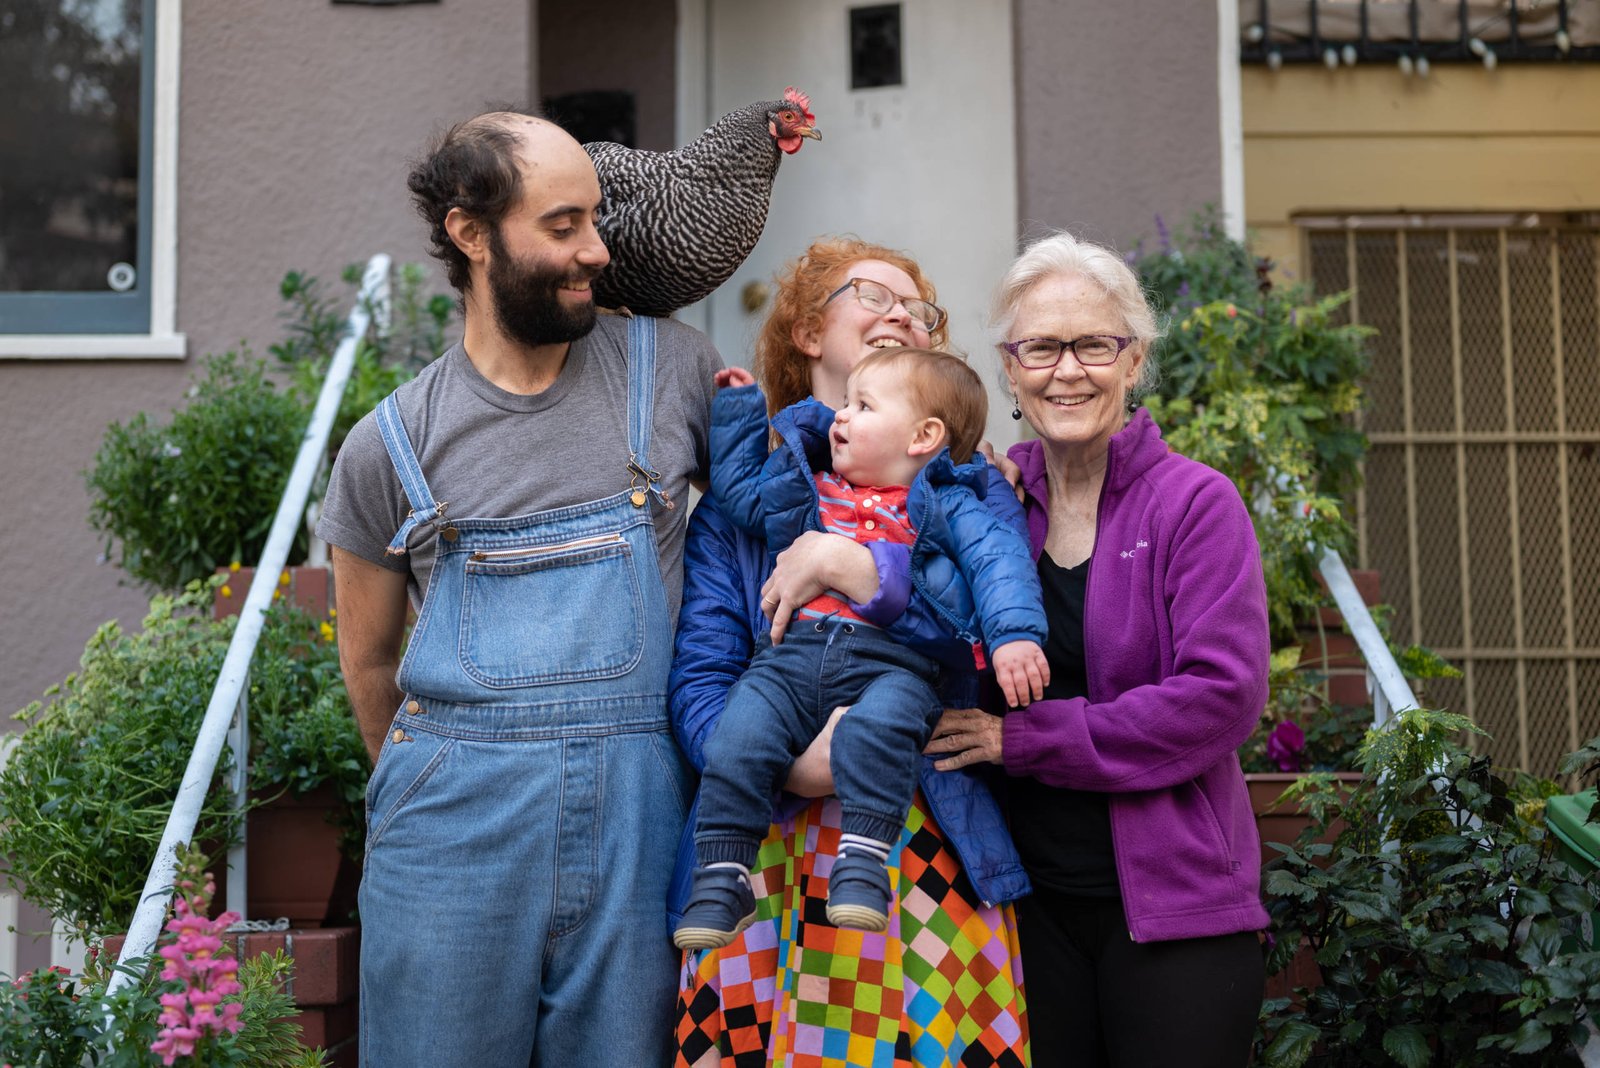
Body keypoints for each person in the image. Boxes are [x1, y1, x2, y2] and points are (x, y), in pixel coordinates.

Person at [314, 111, 721, 1066]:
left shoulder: (676, 373)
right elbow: (367, 660)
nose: (597, 250)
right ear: (470, 234)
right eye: (563, 225)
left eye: (595, 220)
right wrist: (455, 781)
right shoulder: (391, 446)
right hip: (454, 836)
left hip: (641, 822)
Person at [671, 237, 1034, 1068]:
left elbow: (984, 648)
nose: (901, 313)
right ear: (807, 330)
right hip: (762, 847)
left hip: (925, 838)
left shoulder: (969, 488)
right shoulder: (745, 502)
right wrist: (794, 766)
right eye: (874, 295)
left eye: (918, 308)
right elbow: (698, 679)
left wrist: (863, 569)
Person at [926, 231, 1271, 1068]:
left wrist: (1026, 741)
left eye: (1093, 344)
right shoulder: (990, 505)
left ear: (1134, 360)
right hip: (1016, 905)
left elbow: (1218, 698)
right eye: (1041, 346)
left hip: (1173, 913)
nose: (1067, 369)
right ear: (1009, 369)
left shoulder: (1194, 504)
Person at [674, 348, 1048, 948]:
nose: (840, 418)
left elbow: (996, 562)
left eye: (862, 406)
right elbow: (743, 499)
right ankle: (722, 873)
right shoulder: (813, 487)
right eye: (844, 402)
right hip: (789, 663)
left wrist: (1015, 637)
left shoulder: (950, 501)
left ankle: (865, 860)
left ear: (924, 435)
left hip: (893, 668)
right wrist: (743, 412)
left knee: (885, 723)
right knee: (740, 731)